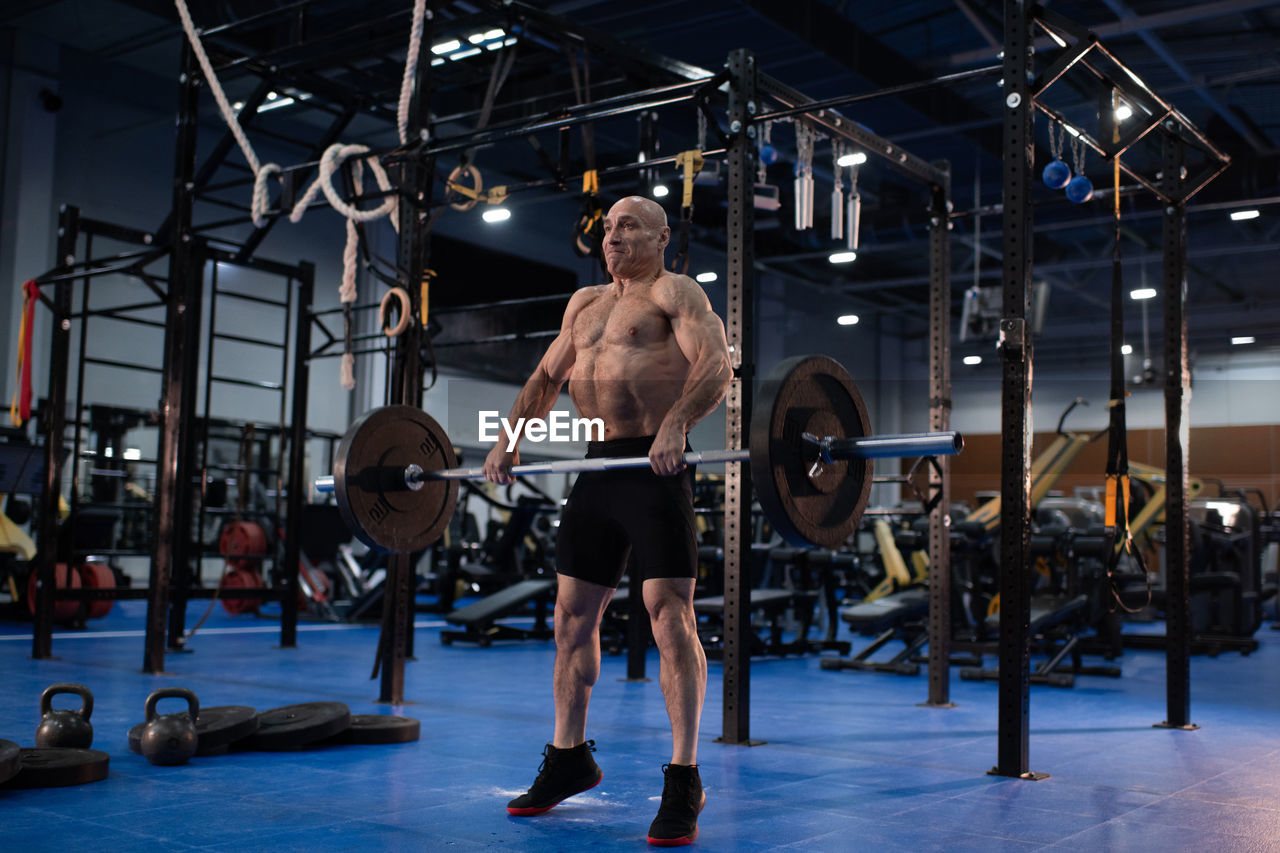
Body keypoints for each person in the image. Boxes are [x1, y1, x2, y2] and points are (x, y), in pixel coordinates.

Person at [483, 195, 731, 847]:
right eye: (608, 228)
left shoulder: (675, 292)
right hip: (596, 468)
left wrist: (677, 422)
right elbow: (545, 377)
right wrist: (509, 436)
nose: (612, 236)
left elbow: (718, 365)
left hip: (656, 464)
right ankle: (569, 755)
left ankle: (684, 776)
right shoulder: (584, 304)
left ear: (661, 236)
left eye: (628, 226)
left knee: (669, 615)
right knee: (571, 618)